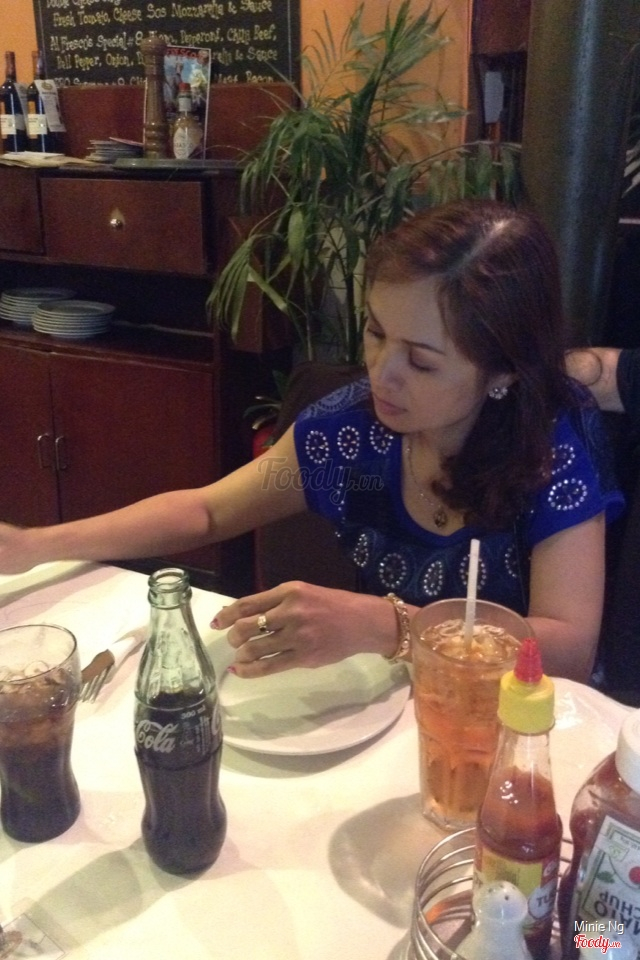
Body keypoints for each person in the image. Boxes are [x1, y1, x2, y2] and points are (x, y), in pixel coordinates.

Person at [0, 200, 623, 682]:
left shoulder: (549, 450)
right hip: (384, 708)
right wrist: (35, 545)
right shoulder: (349, 441)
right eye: (375, 333)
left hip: (516, 729)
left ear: (504, 372)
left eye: (421, 361)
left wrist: (389, 625)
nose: (381, 372)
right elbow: (208, 510)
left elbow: (570, 649)